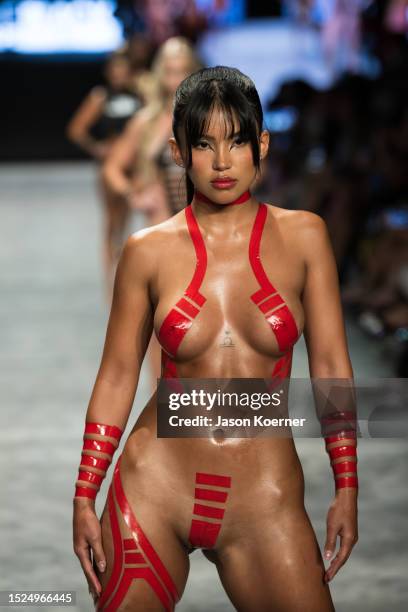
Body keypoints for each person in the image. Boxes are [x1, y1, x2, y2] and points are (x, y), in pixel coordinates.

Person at [73, 66, 358, 611]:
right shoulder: (146, 251)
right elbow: (116, 375)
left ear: (262, 145)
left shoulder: (305, 237)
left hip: (264, 499)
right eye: (203, 144)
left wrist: (348, 485)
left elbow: (330, 366)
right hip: (155, 486)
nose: (222, 162)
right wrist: (85, 493)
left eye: (237, 142)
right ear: (179, 152)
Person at [103, 37, 202, 386]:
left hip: (206, 233)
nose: (175, 79)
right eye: (169, 71)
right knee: (164, 330)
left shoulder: (211, 121)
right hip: (162, 235)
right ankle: (167, 413)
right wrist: (135, 193)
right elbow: (113, 168)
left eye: (183, 71)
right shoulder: (147, 123)